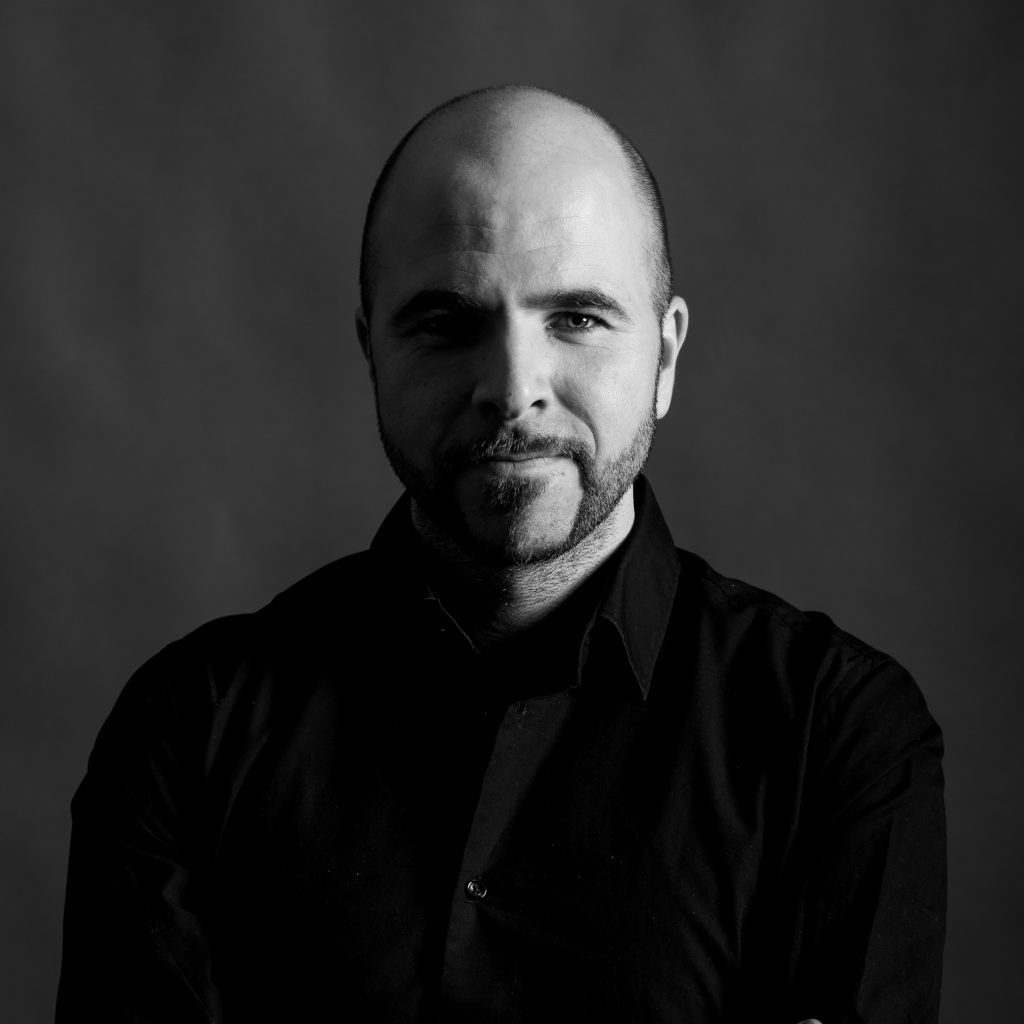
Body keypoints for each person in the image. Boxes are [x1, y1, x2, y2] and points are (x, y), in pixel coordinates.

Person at [56, 85, 945, 1023]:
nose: (512, 389)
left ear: (666, 356)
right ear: (371, 350)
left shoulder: (835, 737)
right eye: (446, 323)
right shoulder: (186, 733)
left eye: (578, 318)